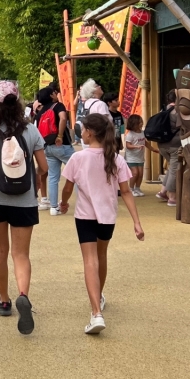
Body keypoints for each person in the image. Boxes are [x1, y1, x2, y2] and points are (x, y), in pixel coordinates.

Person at [0, 80, 48, 335]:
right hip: (24, 200)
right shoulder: (31, 131)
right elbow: (44, 168)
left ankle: (4, 299)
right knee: (21, 254)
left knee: (0, 249)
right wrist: (36, 185)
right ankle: (23, 294)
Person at [59, 112, 145, 335]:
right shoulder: (116, 158)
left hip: (85, 216)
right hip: (107, 217)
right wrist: (136, 222)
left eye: (83, 129)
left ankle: (96, 311)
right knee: (101, 256)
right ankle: (99, 297)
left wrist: (64, 203)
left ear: (89, 132)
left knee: (90, 260)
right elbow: (126, 192)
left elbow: (68, 187)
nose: (81, 132)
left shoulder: (78, 158)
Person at [37, 86, 74, 216]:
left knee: (53, 177)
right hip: (62, 145)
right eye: (54, 92)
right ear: (52, 95)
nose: (56, 93)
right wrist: (60, 135)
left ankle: (53, 207)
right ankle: (86, 203)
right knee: (79, 171)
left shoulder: (40, 112)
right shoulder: (58, 106)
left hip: (48, 147)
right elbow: (63, 118)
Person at [153, 90, 182, 207]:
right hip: (175, 145)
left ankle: (163, 191)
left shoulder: (163, 110)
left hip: (162, 145)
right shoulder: (177, 112)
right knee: (175, 170)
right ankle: (172, 197)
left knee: (171, 168)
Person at [124, 114, 146, 196]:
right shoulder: (130, 134)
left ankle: (137, 188)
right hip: (131, 158)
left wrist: (153, 149)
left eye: (141, 122)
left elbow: (145, 142)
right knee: (135, 173)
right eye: (139, 122)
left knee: (140, 173)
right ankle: (131, 188)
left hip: (140, 157)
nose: (141, 123)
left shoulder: (142, 133)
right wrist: (136, 146)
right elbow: (128, 145)